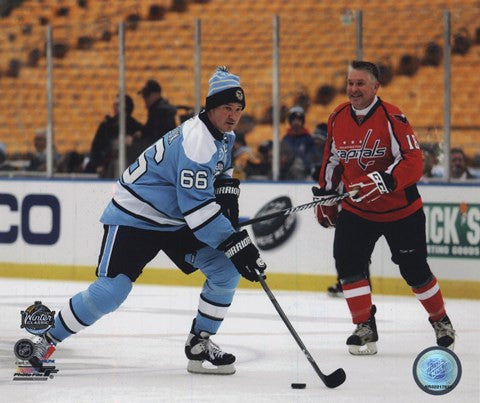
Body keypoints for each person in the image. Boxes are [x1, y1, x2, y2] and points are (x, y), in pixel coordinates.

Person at [25, 66, 267, 375]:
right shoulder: (197, 140)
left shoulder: (223, 134)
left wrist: (228, 201)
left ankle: (199, 343)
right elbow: (199, 212)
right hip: (135, 214)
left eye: (237, 109)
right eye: (226, 108)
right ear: (210, 107)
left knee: (224, 271)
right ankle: (44, 340)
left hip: (174, 216)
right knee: (111, 291)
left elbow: (221, 171)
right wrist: (237, 243)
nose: (233, 115)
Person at [312, 61, 455, 355]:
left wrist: (384, 180)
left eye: (360, 84)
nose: (353, 89)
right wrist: (326, 196)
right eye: (350, 83)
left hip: (401, 211)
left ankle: (440, 320)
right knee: (348, 265)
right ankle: (364, 325)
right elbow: (332, 161)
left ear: (375, 87)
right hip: (358, 210)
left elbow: (413, 161)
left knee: (414, 271)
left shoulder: (392, 116)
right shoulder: (338, 116)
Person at [84, 94, 144, 178]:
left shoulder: (136, 127)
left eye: (117, 105)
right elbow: (96, 147)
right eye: (114, 105)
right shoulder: (106, 126)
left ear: (126, 107)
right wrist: (98, 164)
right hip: (108, 167)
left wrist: (134, 142)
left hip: (130, 168)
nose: (114, 107)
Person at [138, 79, 177, 146]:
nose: (145, 99)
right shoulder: (158, 109)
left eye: (147, 95)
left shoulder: (159, 111)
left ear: (156, 94)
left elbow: (153, 135)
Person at [280, 106, 315, 180]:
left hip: (304, 173)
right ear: (290, 122)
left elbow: (311, 156)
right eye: (294, 120)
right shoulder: (286, 139)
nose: (296, 122)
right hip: (287, 173)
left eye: (299, 120)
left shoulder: (308, 139)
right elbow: (282, 155)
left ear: (302, 122)